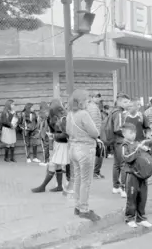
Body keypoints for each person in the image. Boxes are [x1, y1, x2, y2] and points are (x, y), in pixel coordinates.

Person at [66, 89, 100, 222]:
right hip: (85, 149)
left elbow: (68, 130)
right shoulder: (84, 114)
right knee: (86, 181)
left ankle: (77, 206)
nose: (88, 103)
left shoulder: (70, 114)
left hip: (73, 148)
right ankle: (84, 209)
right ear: (81, 102)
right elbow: (95, 133)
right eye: (86, 100)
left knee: (78, 179)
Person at [31, 99, 69, 193]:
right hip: (58, 143)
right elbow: (53, 130)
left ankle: (43, 186)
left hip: (63, 145)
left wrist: (54, 135)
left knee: (52, 165)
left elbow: (67, 134)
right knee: (58, 166)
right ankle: (59, 186)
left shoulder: (63, 119)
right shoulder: (53, 118)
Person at [120, 123, 152, 228]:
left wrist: (146, 150)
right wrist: (137, 149)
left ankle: (141, 218)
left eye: (134, 133)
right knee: (132, 197)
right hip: (132, 174)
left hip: (142, 174)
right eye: (130, 133)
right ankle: (129, 217)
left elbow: (145, 154)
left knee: (143, 197)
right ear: (124, 134)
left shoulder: (137, 143)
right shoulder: (124, 145)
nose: (133, 135)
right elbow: (127, 157)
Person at [105, 93, 131, 196]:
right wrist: (127, 135)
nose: (127, 104)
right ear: (119, 102)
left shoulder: (112, 111)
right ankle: (123, 188)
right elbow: (118, 128)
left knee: (116, 164)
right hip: (120, 141)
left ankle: (116, 186)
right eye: (125, 102)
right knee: (123, 164)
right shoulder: (119, 113)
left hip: (114, 141)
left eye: (128, 102)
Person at [87, 94, 104, 179]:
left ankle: (95, 171)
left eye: (99, 97)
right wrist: (96, 135)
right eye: (96, 97)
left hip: (95, 133)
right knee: (99, 153)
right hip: (95, 133)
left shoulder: (93, 106)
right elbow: (94, 121)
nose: (98, 98)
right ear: (92, 97)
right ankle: (95, 172)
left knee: (97, 153)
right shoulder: (93, 107)